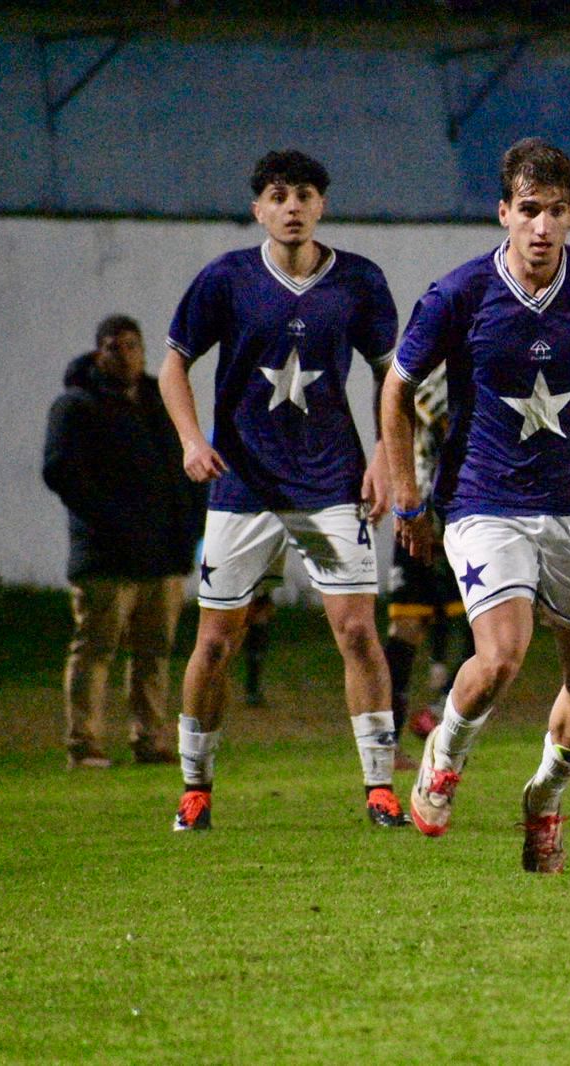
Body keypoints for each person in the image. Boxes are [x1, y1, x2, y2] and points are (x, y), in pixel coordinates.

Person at [381, 137, 570, 872]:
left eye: (555, 210)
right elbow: (397, 389)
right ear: (503, 213)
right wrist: (407, 496)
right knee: (502, 656)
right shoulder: (459, 294)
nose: (542, 226)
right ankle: (444, 756)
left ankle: (544, 800)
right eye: (528, 210)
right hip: (485, 501)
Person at [159, 149, 409, 831]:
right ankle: (194, 789)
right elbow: (174, 365)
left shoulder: (359, 280)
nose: (292, 206)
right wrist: (191, 441)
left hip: (330, 482)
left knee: (357, 632)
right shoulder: (228, 278)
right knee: (216, 641)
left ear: (321, 205)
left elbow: (393, 377)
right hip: (242, 485)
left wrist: (384, 455)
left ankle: (380, 789)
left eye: (303, 194)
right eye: (278, 196)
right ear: (258, 210)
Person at [42, 314, 205, 769]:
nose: (126, 356)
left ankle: (150, 739)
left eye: (133, 346)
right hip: (106, 557)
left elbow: (187, 465)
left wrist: (190, 525)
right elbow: (60, 471)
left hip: (162, 555)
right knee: (96, 650)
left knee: (155, 653)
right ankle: (84, 743)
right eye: (115, 347)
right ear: (99, 353)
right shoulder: (75, 406)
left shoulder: (161, 401)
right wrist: (110, 520)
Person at [381, 363, 470, 760]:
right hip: (425, 520)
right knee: (406, 629)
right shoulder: (435, 381)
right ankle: (389, 743)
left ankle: (439, 713)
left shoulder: (458, 373)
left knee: (484, 629)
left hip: (454, 521)